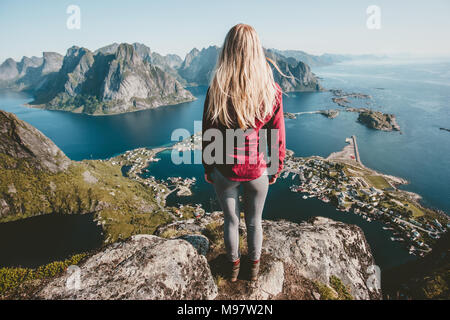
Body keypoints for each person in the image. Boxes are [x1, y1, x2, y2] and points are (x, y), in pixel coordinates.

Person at [202, 24, 286, 282]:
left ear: (227, 50)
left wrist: (208, 168)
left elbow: (208, 133)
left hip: (225, 171)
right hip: (257, 170)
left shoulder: (217, 88)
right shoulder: (270, 90)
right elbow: (277, 135)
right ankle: (253, 269)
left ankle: (233, 268)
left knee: (230, 221)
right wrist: (275, 167)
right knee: (254, 222)